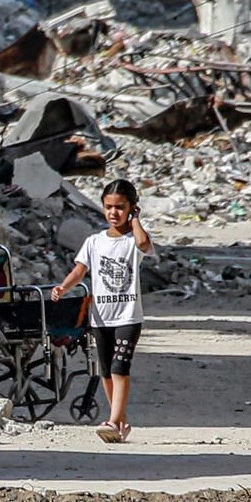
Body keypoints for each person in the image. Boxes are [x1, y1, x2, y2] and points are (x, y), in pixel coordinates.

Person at [51, 179, 154, 443]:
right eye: (109, 207)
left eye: (120, 207)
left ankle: (112, 421)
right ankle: (120, 422)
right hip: (101, 317)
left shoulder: (133, 240)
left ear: (131, 208)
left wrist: (136, 221)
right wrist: (63, 287)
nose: (114, 213)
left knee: (121, 367)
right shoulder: (94, 241)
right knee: (107, 371)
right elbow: (80, 270)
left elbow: (144, 245)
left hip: (128, 316)